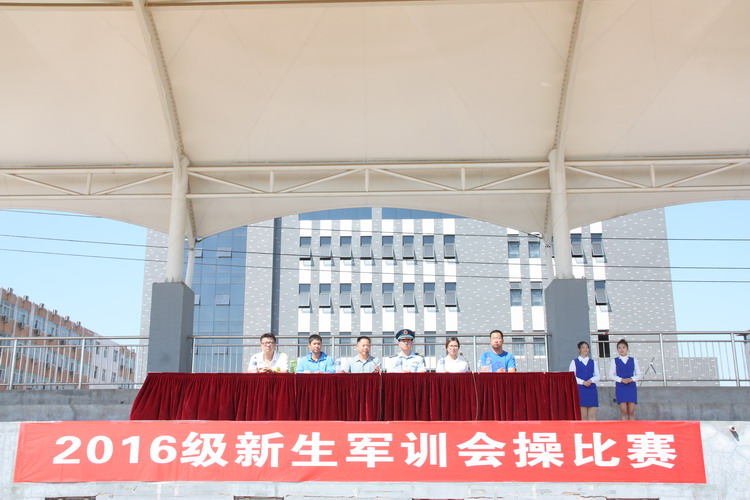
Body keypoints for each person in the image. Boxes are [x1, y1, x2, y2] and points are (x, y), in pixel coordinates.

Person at [608, 338, 642, 420]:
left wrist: (631, 379)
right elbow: (611, 375)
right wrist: (621, 380)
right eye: (619, 348)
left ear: (627, 348)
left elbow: (639, 375)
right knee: (623, 411)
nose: (621, 349)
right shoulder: (614, 361)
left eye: (623, 347)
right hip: (621, 387)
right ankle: (624, 427)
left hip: (631, 386)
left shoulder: (633, 360)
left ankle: (632, 427)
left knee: (631, 411)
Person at [569, 341, 599, 420]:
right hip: (580, 389)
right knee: (583, 415)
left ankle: (592, 428)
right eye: (583, 347)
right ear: (579, 350)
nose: (585, 349)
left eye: (587, 347)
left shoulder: (593, 362)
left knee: (592, 415)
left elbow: (598, 376)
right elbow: (572, 376)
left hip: (591, 389)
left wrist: (590, 381)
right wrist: (583, 382)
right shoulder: (574, 362)